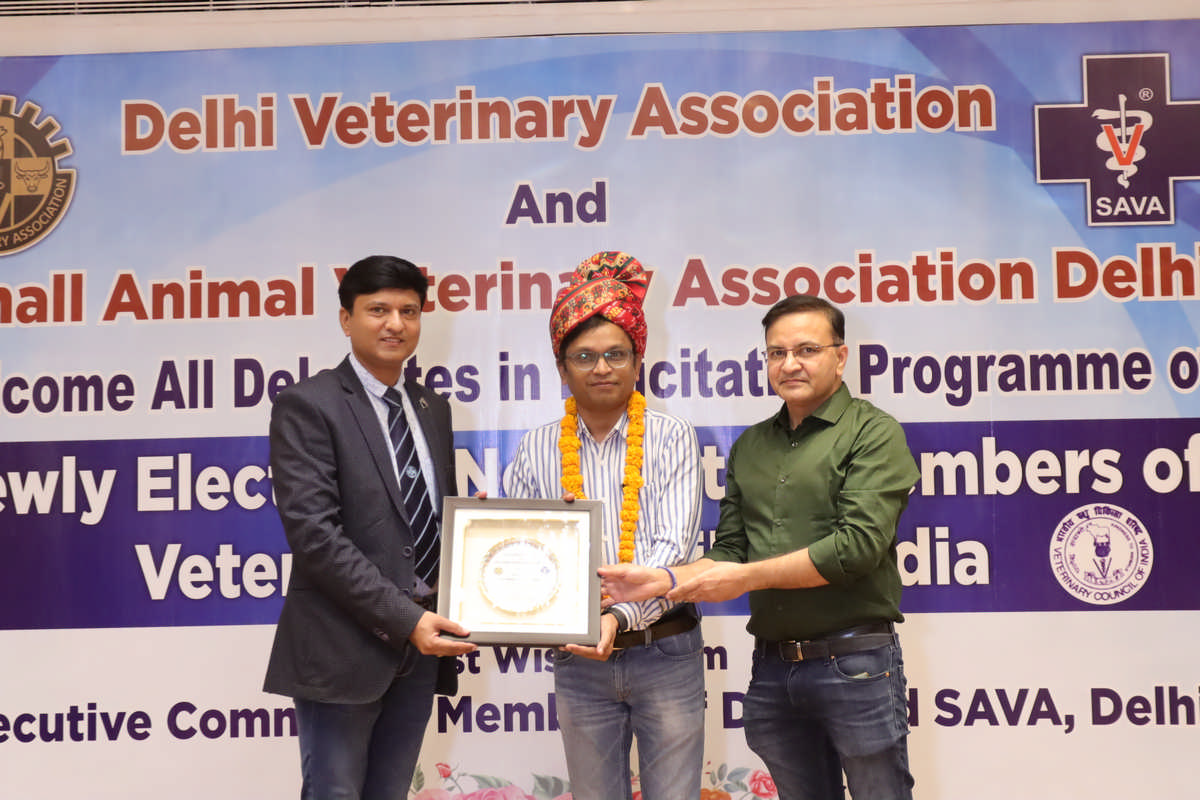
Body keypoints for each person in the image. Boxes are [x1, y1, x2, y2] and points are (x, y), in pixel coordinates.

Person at [601, 294, 920, 800]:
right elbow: (731, 549)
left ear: (840, 357)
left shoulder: (874, 432)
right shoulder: (750, 446)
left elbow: (855, 548)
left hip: (854, 663)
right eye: (776, 353)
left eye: (807, 350)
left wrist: (745, 577)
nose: (790, 364)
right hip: (774, 669)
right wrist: (663, 580)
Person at [263, 254, 477, 800]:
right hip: (343, 646)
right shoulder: (308, 404)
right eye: (378, 310)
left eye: (409, 311)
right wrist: (406, 619)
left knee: (391, 791)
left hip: (421, 648)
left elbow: (429, 519)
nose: (395, 324)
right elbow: (315, 537)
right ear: (346, 318)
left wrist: (475, 531)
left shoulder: (432, 408)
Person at [502, 251, 705, 800]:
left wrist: (616, 616)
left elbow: (673, 546)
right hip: (579, 661)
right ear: (561, 367)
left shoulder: (671, 437)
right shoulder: (537, 447)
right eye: (584, 356)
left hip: (665, 650)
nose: (601, 368)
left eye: (616, 354)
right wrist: (492, 543)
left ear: (638, 361)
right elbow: (522, 548)